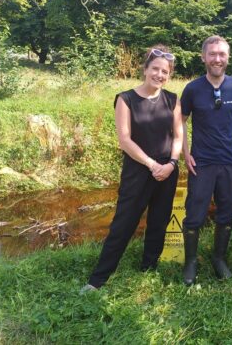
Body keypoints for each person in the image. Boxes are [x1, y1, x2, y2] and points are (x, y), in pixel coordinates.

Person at [82, 44, 182, 292]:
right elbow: (125, 140)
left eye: (165, 72)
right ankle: (98, 279)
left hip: (167, 172)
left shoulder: (172, 100)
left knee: (159, 223)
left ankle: (149, 267)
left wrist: (171, 164)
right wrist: (151, 165)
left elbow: (179, 135)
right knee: (123, 224)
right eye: (155, 69)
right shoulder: (126, 99)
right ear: (145, 69)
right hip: (138, 171)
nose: (160, 75)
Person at [180, 35, 232, 285]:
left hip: (230, 164)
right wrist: (185, 152)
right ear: (203, 57)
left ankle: (219, 259)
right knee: (194, 215)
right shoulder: (192, 89)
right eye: (212, 54)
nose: (217, 59)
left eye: (221, 54)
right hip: (202, 163)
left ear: (228, 57)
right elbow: (181, 121)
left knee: (225, 214)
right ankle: (190, 262)